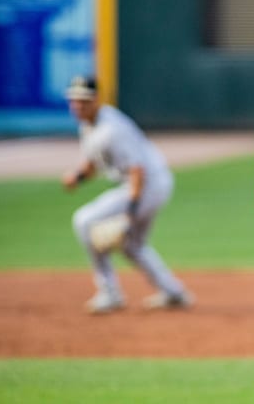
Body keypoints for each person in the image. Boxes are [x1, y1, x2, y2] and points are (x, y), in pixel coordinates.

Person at [62, 75, 193, 314]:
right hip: (147, 184)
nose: (78, 106)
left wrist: (129, 214)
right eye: (74, 100)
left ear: (96, 100)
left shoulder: (113, 129)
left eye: (84, 101)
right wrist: (78, 177)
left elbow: (136, 171)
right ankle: (173, 292)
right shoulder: (88, 125)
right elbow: (93, 164)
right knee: (133, 246)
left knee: (84, 221)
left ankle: (109, 292)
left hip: (147, 186)